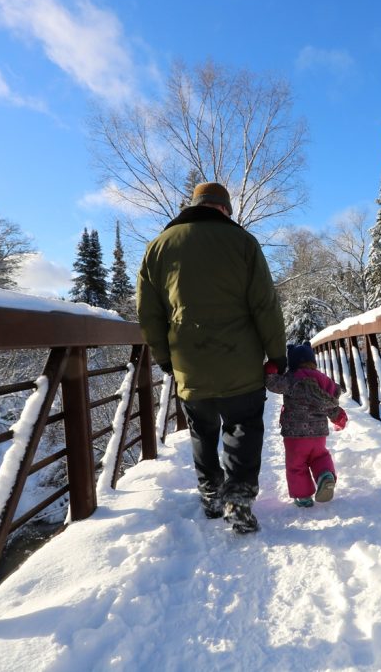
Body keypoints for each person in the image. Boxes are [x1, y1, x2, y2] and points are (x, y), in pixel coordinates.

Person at [136, 182, 286, 534]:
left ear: (195, 206)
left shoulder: (157, 247)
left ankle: (211, 495)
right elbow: (265, 306)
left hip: (190, 364)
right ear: (224, 209)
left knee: (202, 431)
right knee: (243, 428)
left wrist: (163, 358)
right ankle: (239, 498)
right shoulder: (244, 243)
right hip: (241, 364)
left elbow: (148, 313)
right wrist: (277, 355)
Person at [265, 343, 346, 507]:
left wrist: (271, 370)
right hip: (319, 434)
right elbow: (330, 404)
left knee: (296, 465)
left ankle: (303, 497)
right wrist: (339, 417)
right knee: (320, 456)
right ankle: (325, 475)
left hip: (295, 435)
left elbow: (273, 384)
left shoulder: (292, 378)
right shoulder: (324, 381)